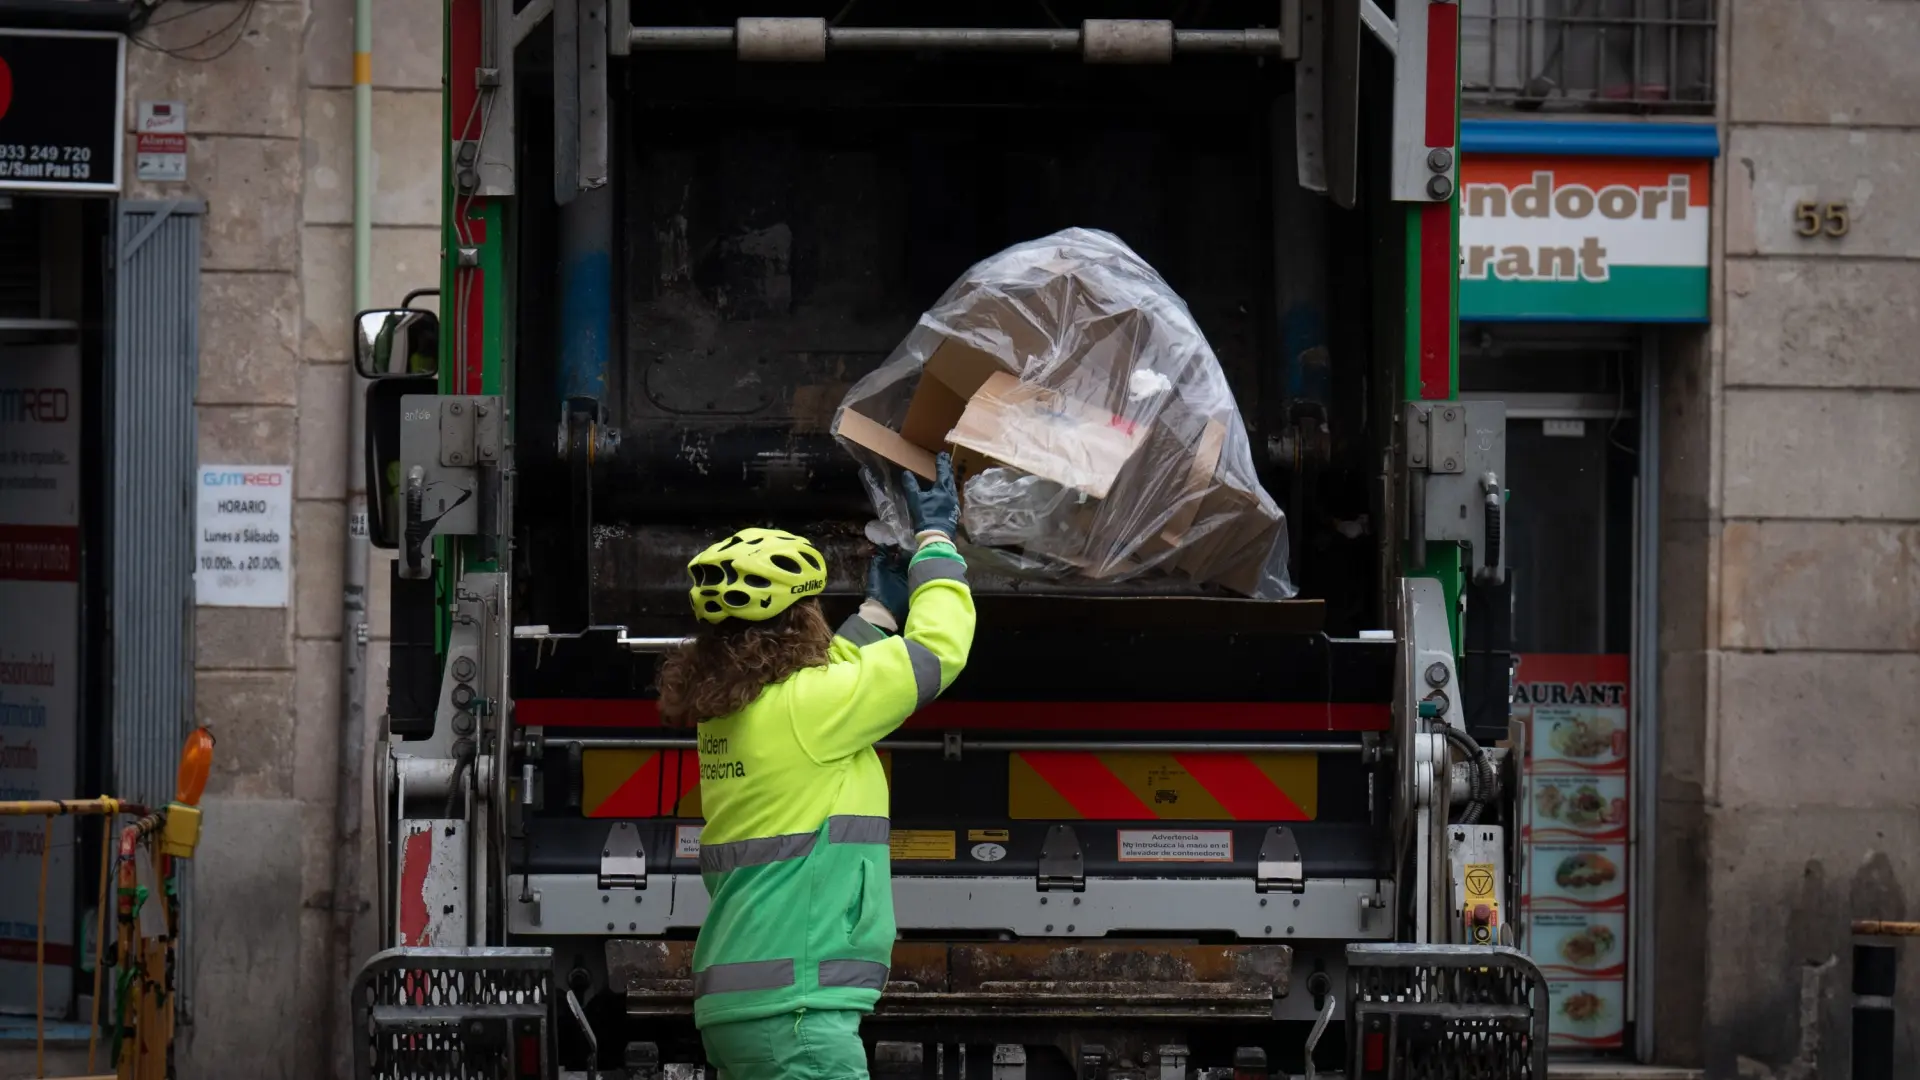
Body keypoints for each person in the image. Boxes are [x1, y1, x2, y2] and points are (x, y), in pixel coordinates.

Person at [655, 454, 974, 1080]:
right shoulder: (809, 710)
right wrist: (936, 544)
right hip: (795, 1017)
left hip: (749, 1008)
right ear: (801, 621)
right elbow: (939, 650)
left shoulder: (732, 716)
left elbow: (834, 680)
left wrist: (881, 609)